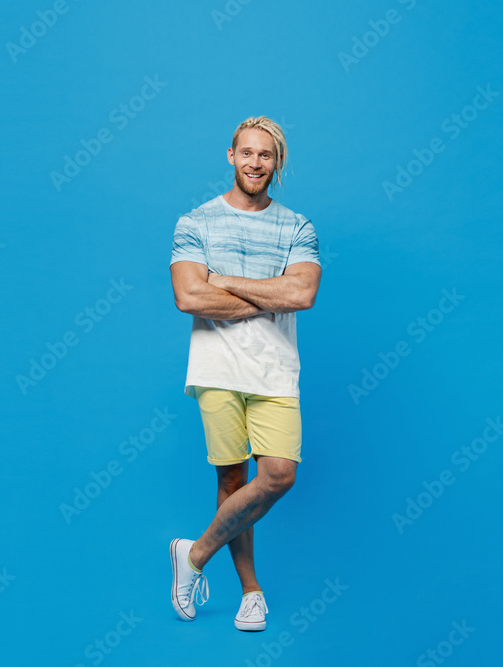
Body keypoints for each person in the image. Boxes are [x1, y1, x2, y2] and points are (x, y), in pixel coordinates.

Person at [168, 116, 321, 632]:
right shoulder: (195, 222)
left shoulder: (297, 226)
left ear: (277, 163)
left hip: (275, 368)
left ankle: (193, 555)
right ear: (230, 156)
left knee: (279, 475)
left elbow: (301, 295)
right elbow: (189, 296)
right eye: (248, 153)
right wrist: (267, 290)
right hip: (217, 367)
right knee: (232, 480)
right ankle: (251, 593)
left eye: (267, 155)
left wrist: (225, 282)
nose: (256, 163)